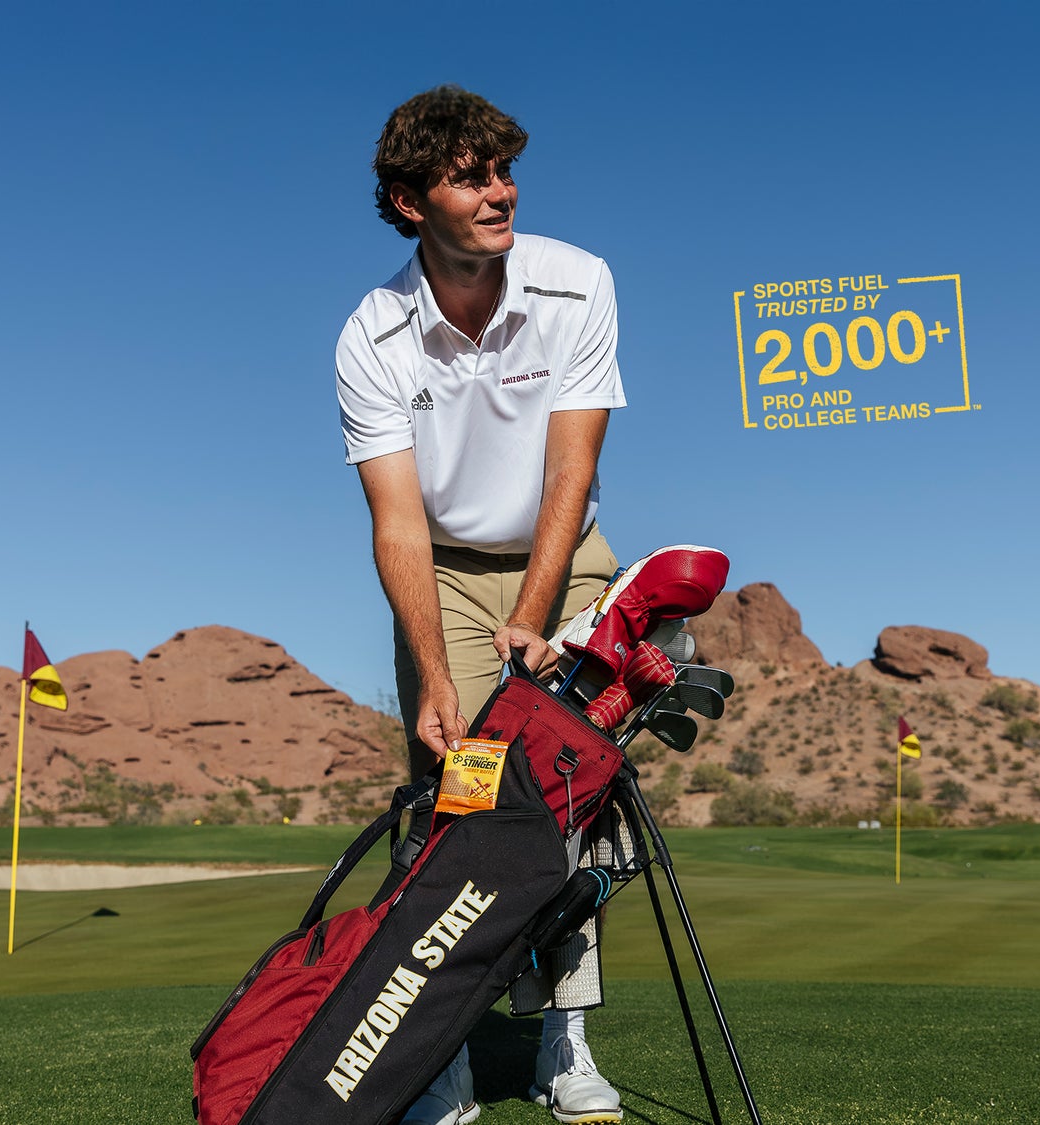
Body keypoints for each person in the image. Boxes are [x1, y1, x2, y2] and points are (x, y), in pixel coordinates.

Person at [335, 84, 627, 1125]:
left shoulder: (576, 281)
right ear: (410, 202)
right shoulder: (371, 335)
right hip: (445, 574)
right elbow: (398, 524)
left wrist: (535, 617)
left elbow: (568, 473)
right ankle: (442, 1054)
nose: (500, 193)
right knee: (455, 803)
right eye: (471, 178)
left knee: (572, 799)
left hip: (564, 556)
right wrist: (435, 673)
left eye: (504, 172)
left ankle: (564, 1039)